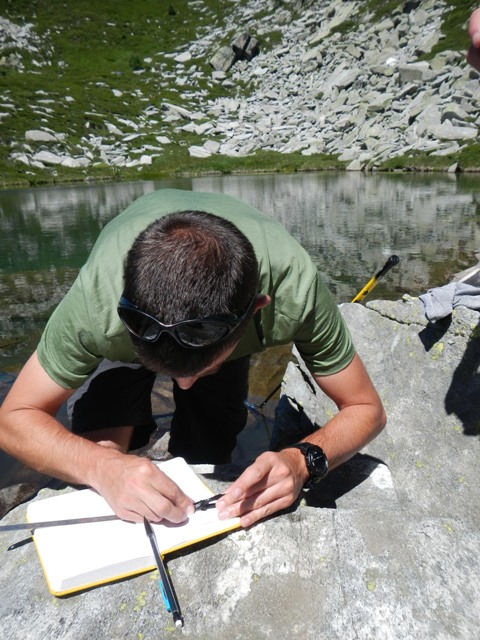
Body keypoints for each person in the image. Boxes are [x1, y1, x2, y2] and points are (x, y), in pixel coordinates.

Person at [0, 189, 386, 528]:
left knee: (210, 445)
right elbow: (13, 419)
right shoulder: (96, 303)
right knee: (97, 445)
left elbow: (367, 408)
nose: (184, 385)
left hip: (223, 304)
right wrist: (101, 467)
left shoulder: (294, 288)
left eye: (205, 367)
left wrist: (302, 462)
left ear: (257, 311)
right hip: (132, 328)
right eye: (164, 368)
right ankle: (152, 371)